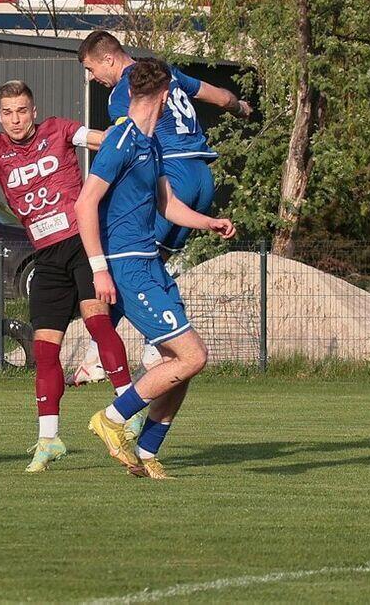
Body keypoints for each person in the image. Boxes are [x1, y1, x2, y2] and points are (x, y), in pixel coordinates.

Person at [0, 80, 137, 473]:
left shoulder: (57, 129)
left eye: (22, 111)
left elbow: (98, 139)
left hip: (82, 243)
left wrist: (126, 135)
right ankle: (49, 439)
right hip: (46, 257)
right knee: (44, 350)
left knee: (98, 324)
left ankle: (131, 407)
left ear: (34, 111)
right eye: (8, 113)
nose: (16, 119)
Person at [75, 58, 236, 479]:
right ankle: (111, 419)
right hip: (127, 266)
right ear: (165, 97)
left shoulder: (151, 143)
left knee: (178, 366)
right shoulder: (122, 139)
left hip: (148, 262)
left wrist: (208, 222)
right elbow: (85, 203)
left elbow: (167, 204)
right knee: (193, 356)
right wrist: (99, 270)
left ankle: (147, 452)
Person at [75, 30, 252, 379]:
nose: (93, 78)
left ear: (109, 58)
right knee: (155, 261)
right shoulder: (163, 73)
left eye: (92, 69)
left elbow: (124, 142)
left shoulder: (125, 92)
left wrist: (82, 140)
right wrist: (240, 107)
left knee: (129, 259)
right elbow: (219, 96)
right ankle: (144, 349)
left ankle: (114, 351)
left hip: (170, 176)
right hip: (202, 178)